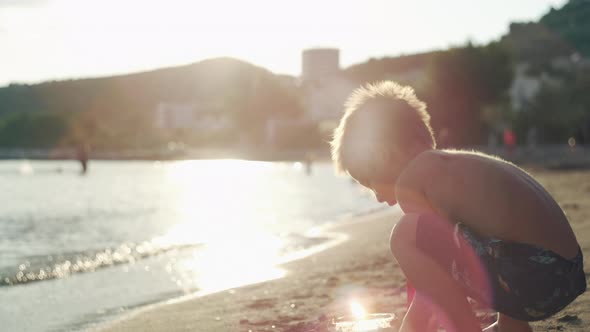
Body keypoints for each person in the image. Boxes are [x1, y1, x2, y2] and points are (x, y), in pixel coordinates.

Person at [330, 81, 586, 332]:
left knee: (405, 235)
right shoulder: (454, 168)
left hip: (537, 273)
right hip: (564, 272)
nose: (376, 197)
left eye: (368, 182)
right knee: (483, 235)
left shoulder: (414, 178)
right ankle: (511, 326)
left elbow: (433, 275)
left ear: (381, 154)